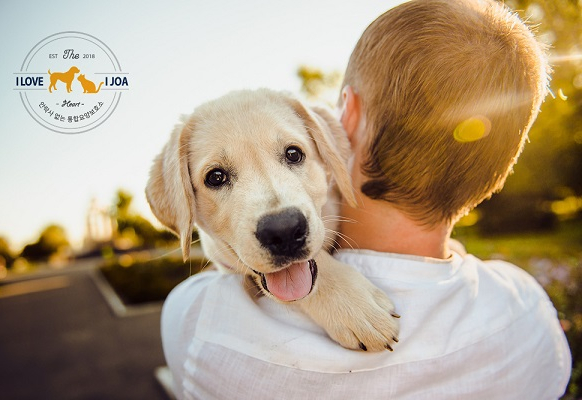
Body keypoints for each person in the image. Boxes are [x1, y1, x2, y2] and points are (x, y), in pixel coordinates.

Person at [161, 0, 572, 398]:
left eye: (292, 155)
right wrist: (323, 283)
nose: (278, 214)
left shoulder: (198, 322)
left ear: (346, 119)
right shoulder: (528, 310)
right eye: (218, 177)